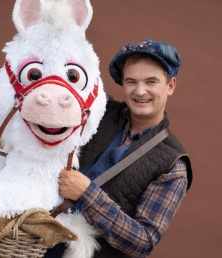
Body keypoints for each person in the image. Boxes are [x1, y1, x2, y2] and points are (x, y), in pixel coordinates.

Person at [44, 39, 193, 257]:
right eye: (131, 81)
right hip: (33, 244)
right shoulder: (96, 111)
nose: (140, 91)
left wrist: (88, 194)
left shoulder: (174, 164)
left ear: (170, 86)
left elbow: (143, 242)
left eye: (151, 82)